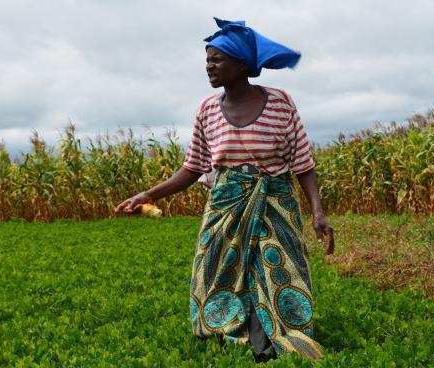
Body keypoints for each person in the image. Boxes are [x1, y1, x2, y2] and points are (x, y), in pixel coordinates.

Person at [115, 18, 334, 363]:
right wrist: (149, 194)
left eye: (216, 59)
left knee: (278, 266)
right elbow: (192, 167)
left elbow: (303, 163)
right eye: (207, 60)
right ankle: (233, 325)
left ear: (241, 64)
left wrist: (318, 211)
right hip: (225, 202)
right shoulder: (207, 110)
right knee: (218, 268)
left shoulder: (280, 103)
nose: (209, 66)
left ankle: (274, 335)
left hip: (275, 199)